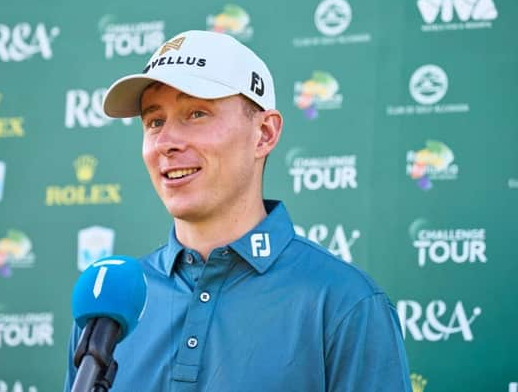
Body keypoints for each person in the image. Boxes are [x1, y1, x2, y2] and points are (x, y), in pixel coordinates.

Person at [65, 30, 412, 392]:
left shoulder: (344, 303)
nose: (166, 142)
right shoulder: (106, 313)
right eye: (155, 121)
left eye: (196, 113)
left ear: (264, 133)